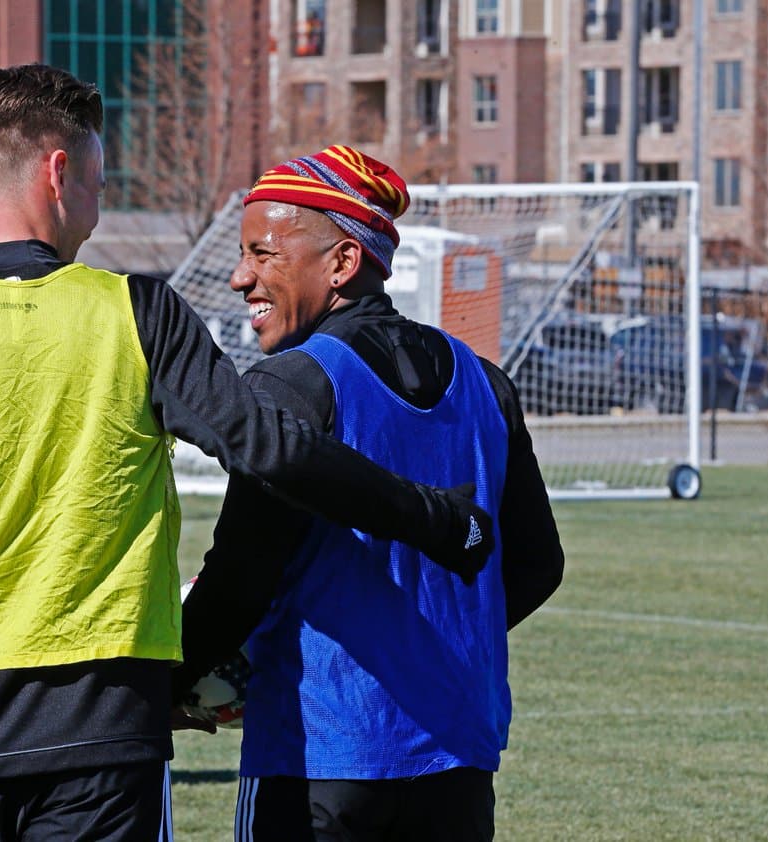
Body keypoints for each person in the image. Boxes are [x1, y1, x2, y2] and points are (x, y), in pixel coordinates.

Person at [0, 66, 494, 842]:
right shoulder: (136, 312)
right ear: (58, 171)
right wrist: (436, 519)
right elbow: (273, 451)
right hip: (106, 740)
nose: (100, 203)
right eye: (99, 179)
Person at [172, 146, 565, 841]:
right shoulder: (484, 380)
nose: (239, 277)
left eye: (263, 254)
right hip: (458, 756)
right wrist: (424, 648)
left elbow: (241, 578)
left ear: (343, 263)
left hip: (321, 754)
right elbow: (536, 565)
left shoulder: (292, 384)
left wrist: (174, 679)